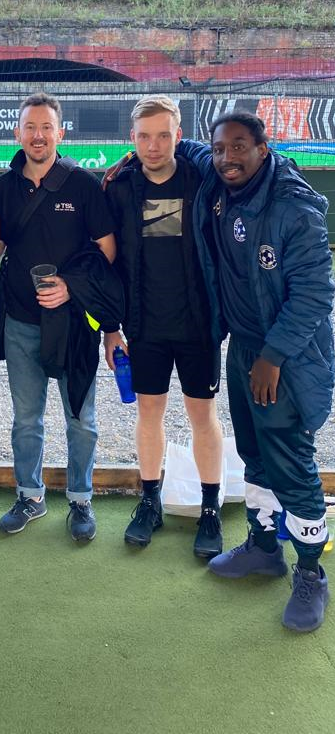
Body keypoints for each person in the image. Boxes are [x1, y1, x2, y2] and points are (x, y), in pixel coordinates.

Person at [178, 111, 334, 632]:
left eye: (239, 147)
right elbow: (189, 147)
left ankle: (310, 572)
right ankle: (265, 546)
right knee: (253, 452)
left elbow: (315, 293)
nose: (228, 158)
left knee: (291, 459)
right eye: (220, 148)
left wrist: (273, 356)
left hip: (284, 356)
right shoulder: (219, 176)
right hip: (243, 348)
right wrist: (138, 153)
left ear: (263, 149)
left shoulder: (293, 208)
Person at [0, 92, 119, 542]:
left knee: (81, 418)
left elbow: (106, 252)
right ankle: (29, 495)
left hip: (75, 325)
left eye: (46, 127)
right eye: (30, 127)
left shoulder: (82, 184)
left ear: (61, 132)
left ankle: (81, 499)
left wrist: (70, 288)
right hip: (20, 323)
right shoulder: (4, 187)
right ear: (16, 133)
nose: (38, 136)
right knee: (26, 419)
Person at [103, 95, 224, 558]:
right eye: (144, 136)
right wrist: (110, 328)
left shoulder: (203, 178)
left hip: (197, 325)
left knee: (202, 416)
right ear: (132, 139)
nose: (153, 146)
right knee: (149, 412)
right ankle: (150, 500)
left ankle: (210, 508)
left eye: (163, 135)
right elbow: (106, 263)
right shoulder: (118, 186)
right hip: (144, 327)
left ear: (179, 135)